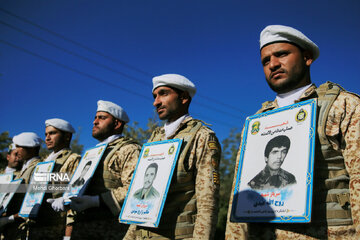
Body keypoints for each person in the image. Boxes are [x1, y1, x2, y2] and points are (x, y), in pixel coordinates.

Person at [225, 25, 360, 239]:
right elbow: (239, 198)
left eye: (281, 54)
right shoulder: (255, 124)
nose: (273, 64)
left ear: (307, 58)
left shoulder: (341, 106)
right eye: (265, 61)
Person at [125, 74, 221, 239]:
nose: (156, 102)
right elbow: (139, 201)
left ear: (184, 97)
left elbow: (207, 202)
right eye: (155, 96)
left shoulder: (201, 136)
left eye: (163, 93)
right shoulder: (154, 139)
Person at [50, 100, 141, 239]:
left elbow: (135, 189)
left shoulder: (128, 149)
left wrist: (95, 201)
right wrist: (67, 199)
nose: (95, 122)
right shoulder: (91, 154)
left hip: (112, 231)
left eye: (102, 118)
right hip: (83, 229)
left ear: (117, 124)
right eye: (95, 117)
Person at [24, 118, 81, 240]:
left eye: (52, 133)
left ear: (67, 136)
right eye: (46, 134)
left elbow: (74, 195)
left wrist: (68, 233)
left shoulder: (72, 159)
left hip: (56, 228)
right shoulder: (43, 163)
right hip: (36, 225)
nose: (47, 138)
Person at [0, 132, 42, 239]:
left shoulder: (39, 167)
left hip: (26, 228)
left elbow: (34, 200)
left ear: (31, 148)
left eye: (19, 147)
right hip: (14, 229)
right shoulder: (23, 169)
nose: (17, 150)